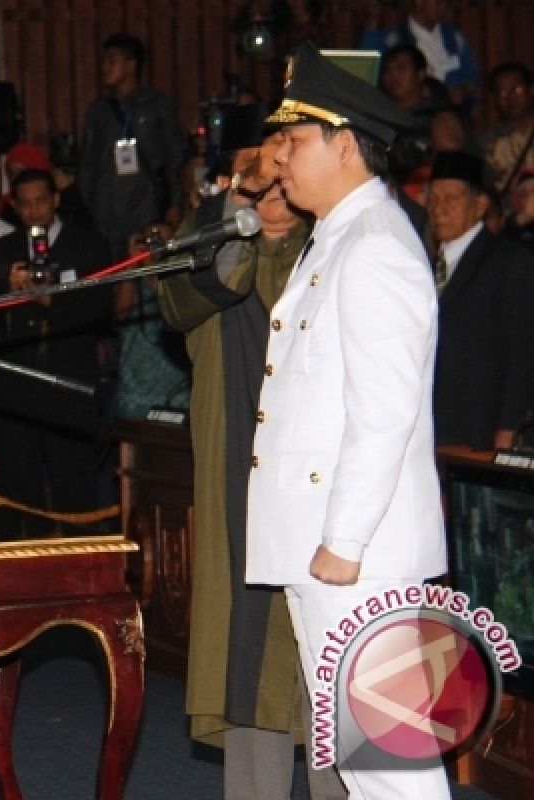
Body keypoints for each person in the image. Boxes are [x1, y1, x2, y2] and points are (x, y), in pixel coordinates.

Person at [247, 43, 449, 798]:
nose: (279, 161)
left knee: (393, 768)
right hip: (327, 551)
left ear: (343, 144)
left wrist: (344, 541)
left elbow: (385, 409)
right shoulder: (336, 237)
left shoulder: (373, 247)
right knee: (367, 768)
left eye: (294, 143)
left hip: (355, 556)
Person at [158, 103, 342, 800]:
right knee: (251, 655)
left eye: (282, 176)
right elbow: (184, 301)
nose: (271, 196)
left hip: (327, 496)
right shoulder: (212, 242)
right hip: (243, 489)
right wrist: (233, 202)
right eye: (253, 182)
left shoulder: (336, 250)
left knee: (331, 661)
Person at [0, 169, 111, 536]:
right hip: (16, 387)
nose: (34, 210)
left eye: (41, 200)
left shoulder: (88, 245)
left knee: (74, 486)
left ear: (55, 199)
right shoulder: (4, 250)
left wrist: (50, 300)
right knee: (17, 487)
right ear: (15, 207)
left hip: (69, 384)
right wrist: (7, 292)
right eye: (25, 203)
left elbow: (100, 308)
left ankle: (80, 571)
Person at [426, 151, 534, 450]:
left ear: (480, 204)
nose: (439, 208)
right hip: (432, 430)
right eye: (432, 198)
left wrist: (508, 427)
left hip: (480, 432)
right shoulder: (423, 265)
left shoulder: (510, 262)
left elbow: (521, 352)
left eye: (451, 198)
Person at [78, 33, 189, 258]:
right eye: (104, 61)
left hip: (146, 204)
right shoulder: (98, 111)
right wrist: (89, 202)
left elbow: (174, 158)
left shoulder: (156, 105)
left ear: (131, 64)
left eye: (112, 60)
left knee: (146, 263)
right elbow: (87, 162)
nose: (104, 67)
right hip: (105, 208)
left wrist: (176, 202)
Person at [358, 0, 480, 107]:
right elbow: (366, 72)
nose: (444, 6)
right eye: (439, 1)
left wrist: (463, 90)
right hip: (407, 117)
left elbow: (472, 80)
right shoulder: (392, 39)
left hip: (449, 116)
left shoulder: (455, 38)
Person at [481, 62, 534, 203]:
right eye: (503, 93)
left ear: (531, 90)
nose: (510, 99)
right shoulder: (487, 143)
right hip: (511, 219)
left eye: (517, 90)